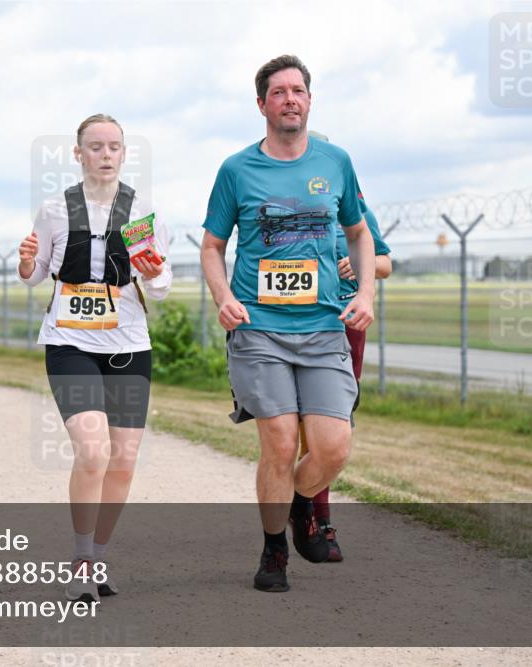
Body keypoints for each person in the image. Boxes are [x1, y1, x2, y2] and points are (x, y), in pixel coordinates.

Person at [200, 55, 375, 593]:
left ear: (309, 99)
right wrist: (223, 297)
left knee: (333, 447)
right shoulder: (236, 170)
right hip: (259, 328)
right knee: (278, 441)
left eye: (298, 90)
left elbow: (361, 235)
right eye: (278, 92)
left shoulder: (336, 161)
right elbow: (212, 245)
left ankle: (300, 506)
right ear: (262, 105)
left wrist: (365, 291)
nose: (290, 99)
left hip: (323, 329)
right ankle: (275, 549)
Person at [18, 114, 172, 603]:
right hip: (69, 342)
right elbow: (36, 274)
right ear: (78, 153)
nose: (105, 154)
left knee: (123, 462)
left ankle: (99, 556)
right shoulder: (54, 209)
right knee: (93, 451)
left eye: (114, 146)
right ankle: (81, 560)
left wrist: (153, 272)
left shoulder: (143, 209)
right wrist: (26, 263)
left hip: (128, 344)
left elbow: (162, 288)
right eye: (95, 146)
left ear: (124, 153)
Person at [298, 131, 393, 562]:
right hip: (294, 325)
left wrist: (362, 263)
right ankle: (314, 516)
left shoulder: (352, 210)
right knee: (299, 427)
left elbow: (386, 262)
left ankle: (309, 508)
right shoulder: (284, 209)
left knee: (334, 426)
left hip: (345, 324)